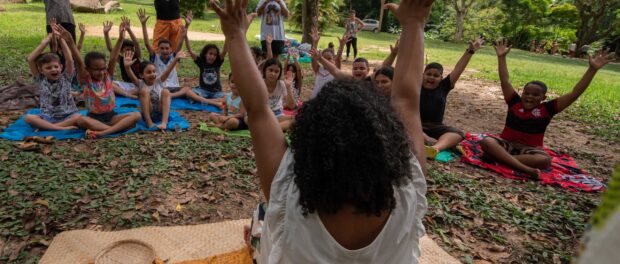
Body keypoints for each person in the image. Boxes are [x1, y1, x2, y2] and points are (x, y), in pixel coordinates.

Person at [209, 0, 429, 263]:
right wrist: (414, 23)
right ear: (387, 141)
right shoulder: (407, 185)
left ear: (311, 140)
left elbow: (257, 109)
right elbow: (406, 100)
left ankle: (256, 234)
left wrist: (234, 33)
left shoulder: (288, 190)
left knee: (263, 217)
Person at [480, 39, 614, 179]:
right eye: (526, 93)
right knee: (486, 142)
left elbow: (575, 93)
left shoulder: (548, 109)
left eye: (535, 95)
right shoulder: (514, 102)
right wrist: (501, 57)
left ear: (543, 98)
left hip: (529, 151)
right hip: (506, 144)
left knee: (544, 160)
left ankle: (498, 158)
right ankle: (525, 168)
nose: (529, 97)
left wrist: (592, 70)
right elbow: (505, 80)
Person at [63, 23, 141, 139]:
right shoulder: (85, 80)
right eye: (96, 70)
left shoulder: (107, 76)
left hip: (111, 117)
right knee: (80, 119)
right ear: (88, 69)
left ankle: (103, 131)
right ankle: (115, 129)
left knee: (137, 115)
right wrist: (70, 42)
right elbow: (79, 62)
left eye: (103, 69)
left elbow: (113, 58)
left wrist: (120, 38)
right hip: (93, 118)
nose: (101, 72)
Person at [421, 36, 484, 158]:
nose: (431, 77)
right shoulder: (415, 85)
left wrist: (470, 51)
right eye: (428, 74)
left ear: (441, 78)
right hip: (415, 124)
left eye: (436, 75)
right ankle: (425, 139)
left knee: (458, 134)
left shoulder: (444, 86)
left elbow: (458, 69)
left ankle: (434, 149)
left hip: (435, 126)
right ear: (423, 75)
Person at [24, 30, 80, 131]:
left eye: (56, 66)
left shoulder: (66, 77)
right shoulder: (40, 79)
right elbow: (30, 59)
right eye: (48, 68)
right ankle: (60, 128)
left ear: (61, 67)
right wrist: (46, 42)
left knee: (79, 118)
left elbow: (70, 60)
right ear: (41, 70)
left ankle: (48, 128)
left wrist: (61, 40)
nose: (53, 69)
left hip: (68, 115)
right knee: (28, 118)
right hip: (48, 117)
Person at [122, 50, 179, 130]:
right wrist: (127, 67)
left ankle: (164, 122)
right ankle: (149, 123)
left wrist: (175, 59)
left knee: (166, 91)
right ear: (141, 75)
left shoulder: (158, 81)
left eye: (154, 71)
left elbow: (168, 71)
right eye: (148, 72)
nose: (152, 74)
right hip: (149, 111)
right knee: (143, 91)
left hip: (160, 110)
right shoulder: (140, 83)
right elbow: (132, 77)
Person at [138, 8, 188, 98]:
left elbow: (180, 41)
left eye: (167, 48)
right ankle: (170, 96)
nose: (164, 50)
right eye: (162, 48)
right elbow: (146, 43)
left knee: (187, 89)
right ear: (158, 49)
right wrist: (143, 24)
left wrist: (187, 25)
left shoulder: (174, 56)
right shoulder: (155, 57)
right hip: (160, 88)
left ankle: (171, 95)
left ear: (170, 49)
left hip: (174, 87)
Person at [104, 17, 143, 99]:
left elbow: (136, 43)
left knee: (143, 89)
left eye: (132, 49)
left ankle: (125, 93)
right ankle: (127, 94)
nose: (131, 51)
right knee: (108, 84)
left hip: (139, 84)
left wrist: (128, 30)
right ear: (121, 52)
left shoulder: (137, 56)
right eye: (127, 49)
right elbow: (111, 49)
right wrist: (106, 34)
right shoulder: (120, 58)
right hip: (127, 85)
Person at [184, 37, 227, 107]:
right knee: (188, 92)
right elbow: (190, 51)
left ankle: (204, 101)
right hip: (203, 91)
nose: (212, 56)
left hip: (216, 92)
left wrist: (227, 35)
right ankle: (212, 102)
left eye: (215, 55)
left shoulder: (217, 63)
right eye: (210, 54)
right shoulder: (201, 62)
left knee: (227, 98)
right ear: (205, 54)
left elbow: (225, 50)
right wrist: (185, 36)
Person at [262, 58, 296, 130]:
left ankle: (270, 128)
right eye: (270, 70)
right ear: (265, 70)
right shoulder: (259, 83)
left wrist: (288, 86)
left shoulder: (282, 84)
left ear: (279, 73)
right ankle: (275, 128)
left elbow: (291, 106)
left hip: (277, 114)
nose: (273, 74)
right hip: (263, 114)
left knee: (296, 118)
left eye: (276, 71)